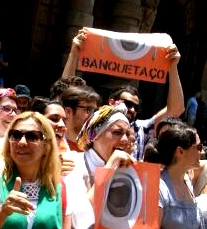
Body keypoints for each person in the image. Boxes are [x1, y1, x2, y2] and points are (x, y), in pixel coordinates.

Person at [62, 30, 185, 159]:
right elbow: (67, 94)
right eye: (128, 103)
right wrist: (74, 53)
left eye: (136, 107)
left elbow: (176, 109)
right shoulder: (93, 122)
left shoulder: (140, 129)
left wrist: (172, 66)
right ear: (111, 102)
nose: (131, 109)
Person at [65, 105, 138, 229]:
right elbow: (79, 221)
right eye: (116, 132)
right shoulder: (73, 163)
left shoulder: (127, 172)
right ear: (94, 134)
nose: (124, 139)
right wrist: (110, 168)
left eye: (127, 134)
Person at [141, 124, 203, 229]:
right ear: (180, 151)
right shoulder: (157, 187)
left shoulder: (188, 182)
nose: (202, 152)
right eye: (198, 147)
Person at [59, 85, 101, 152]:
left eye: (94, 111)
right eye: (88, 109)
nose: (93, 115)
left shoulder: (98, 150)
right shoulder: (53, 148)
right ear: (68, 112)